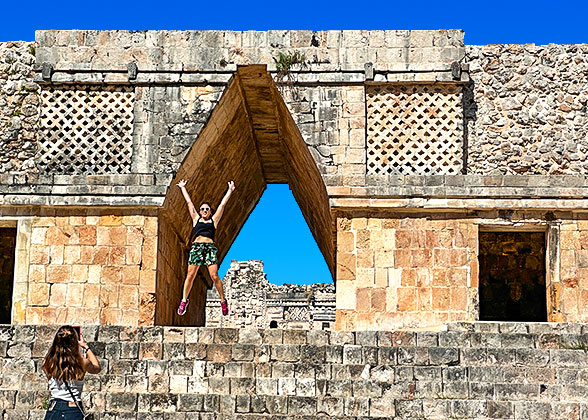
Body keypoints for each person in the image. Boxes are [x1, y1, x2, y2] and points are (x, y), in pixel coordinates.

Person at [176, 179, 235, 316]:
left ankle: (223, 300)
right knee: (190, 275)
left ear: (210, 211)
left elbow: (222, 205)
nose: (204, 210)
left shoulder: (213, 221)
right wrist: (183, 188)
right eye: (202, 209)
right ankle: (184, 301)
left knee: (214, 276)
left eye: (206, 209)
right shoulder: (195, 219)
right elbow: (189, 203)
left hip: (209, 249)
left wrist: (230, 191)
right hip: (197, 248)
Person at [42, 326, 101, 420]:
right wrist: (86, 347)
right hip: (72, 408)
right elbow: (97, 367)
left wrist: (56, 346)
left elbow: (52, 356)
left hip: (53, 408)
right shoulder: (82, 363)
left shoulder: (47, 362)